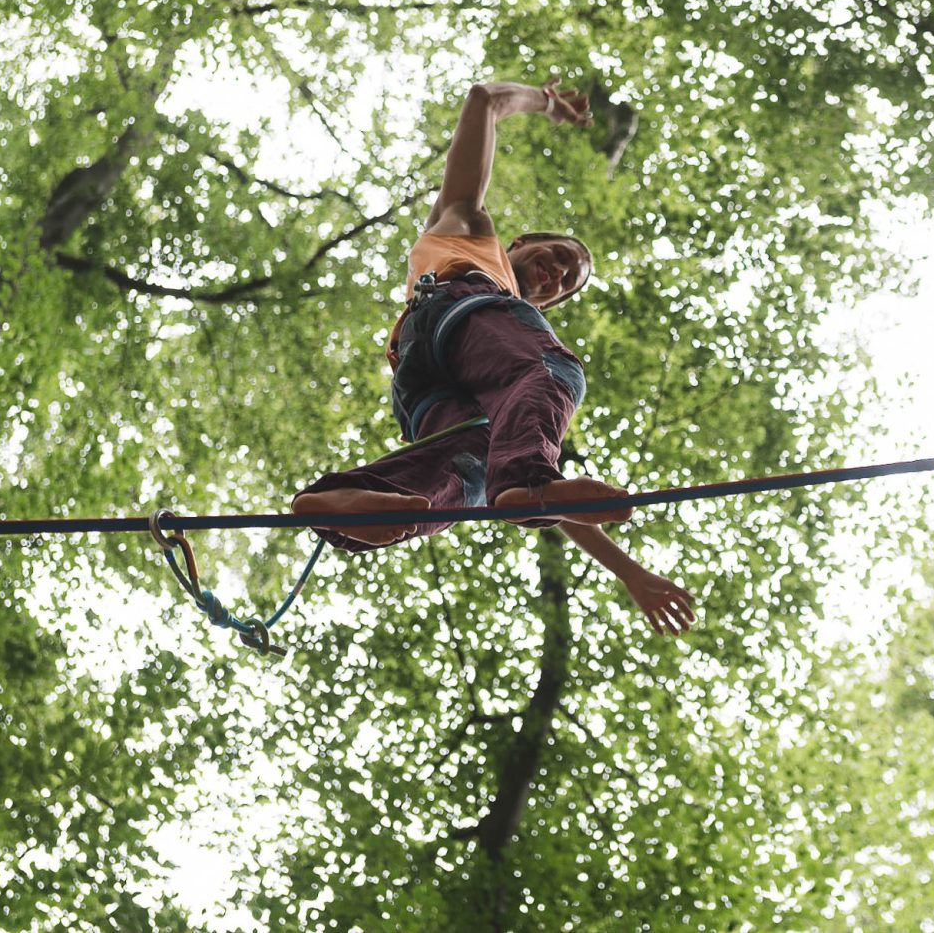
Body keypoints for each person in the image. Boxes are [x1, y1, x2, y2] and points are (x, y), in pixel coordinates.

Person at [292, 78, 698, 638]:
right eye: (557, 255)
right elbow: (483, 99)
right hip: (456, 308)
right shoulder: (469, 228)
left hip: (426, 379)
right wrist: (547, 103)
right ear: (522, 241)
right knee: (556, 371)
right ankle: (515, 484)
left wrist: (630, 573)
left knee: (475, 465)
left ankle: (353, 502)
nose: (556, 273)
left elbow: (530, 476)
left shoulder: (511, 344)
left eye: (565, 283)